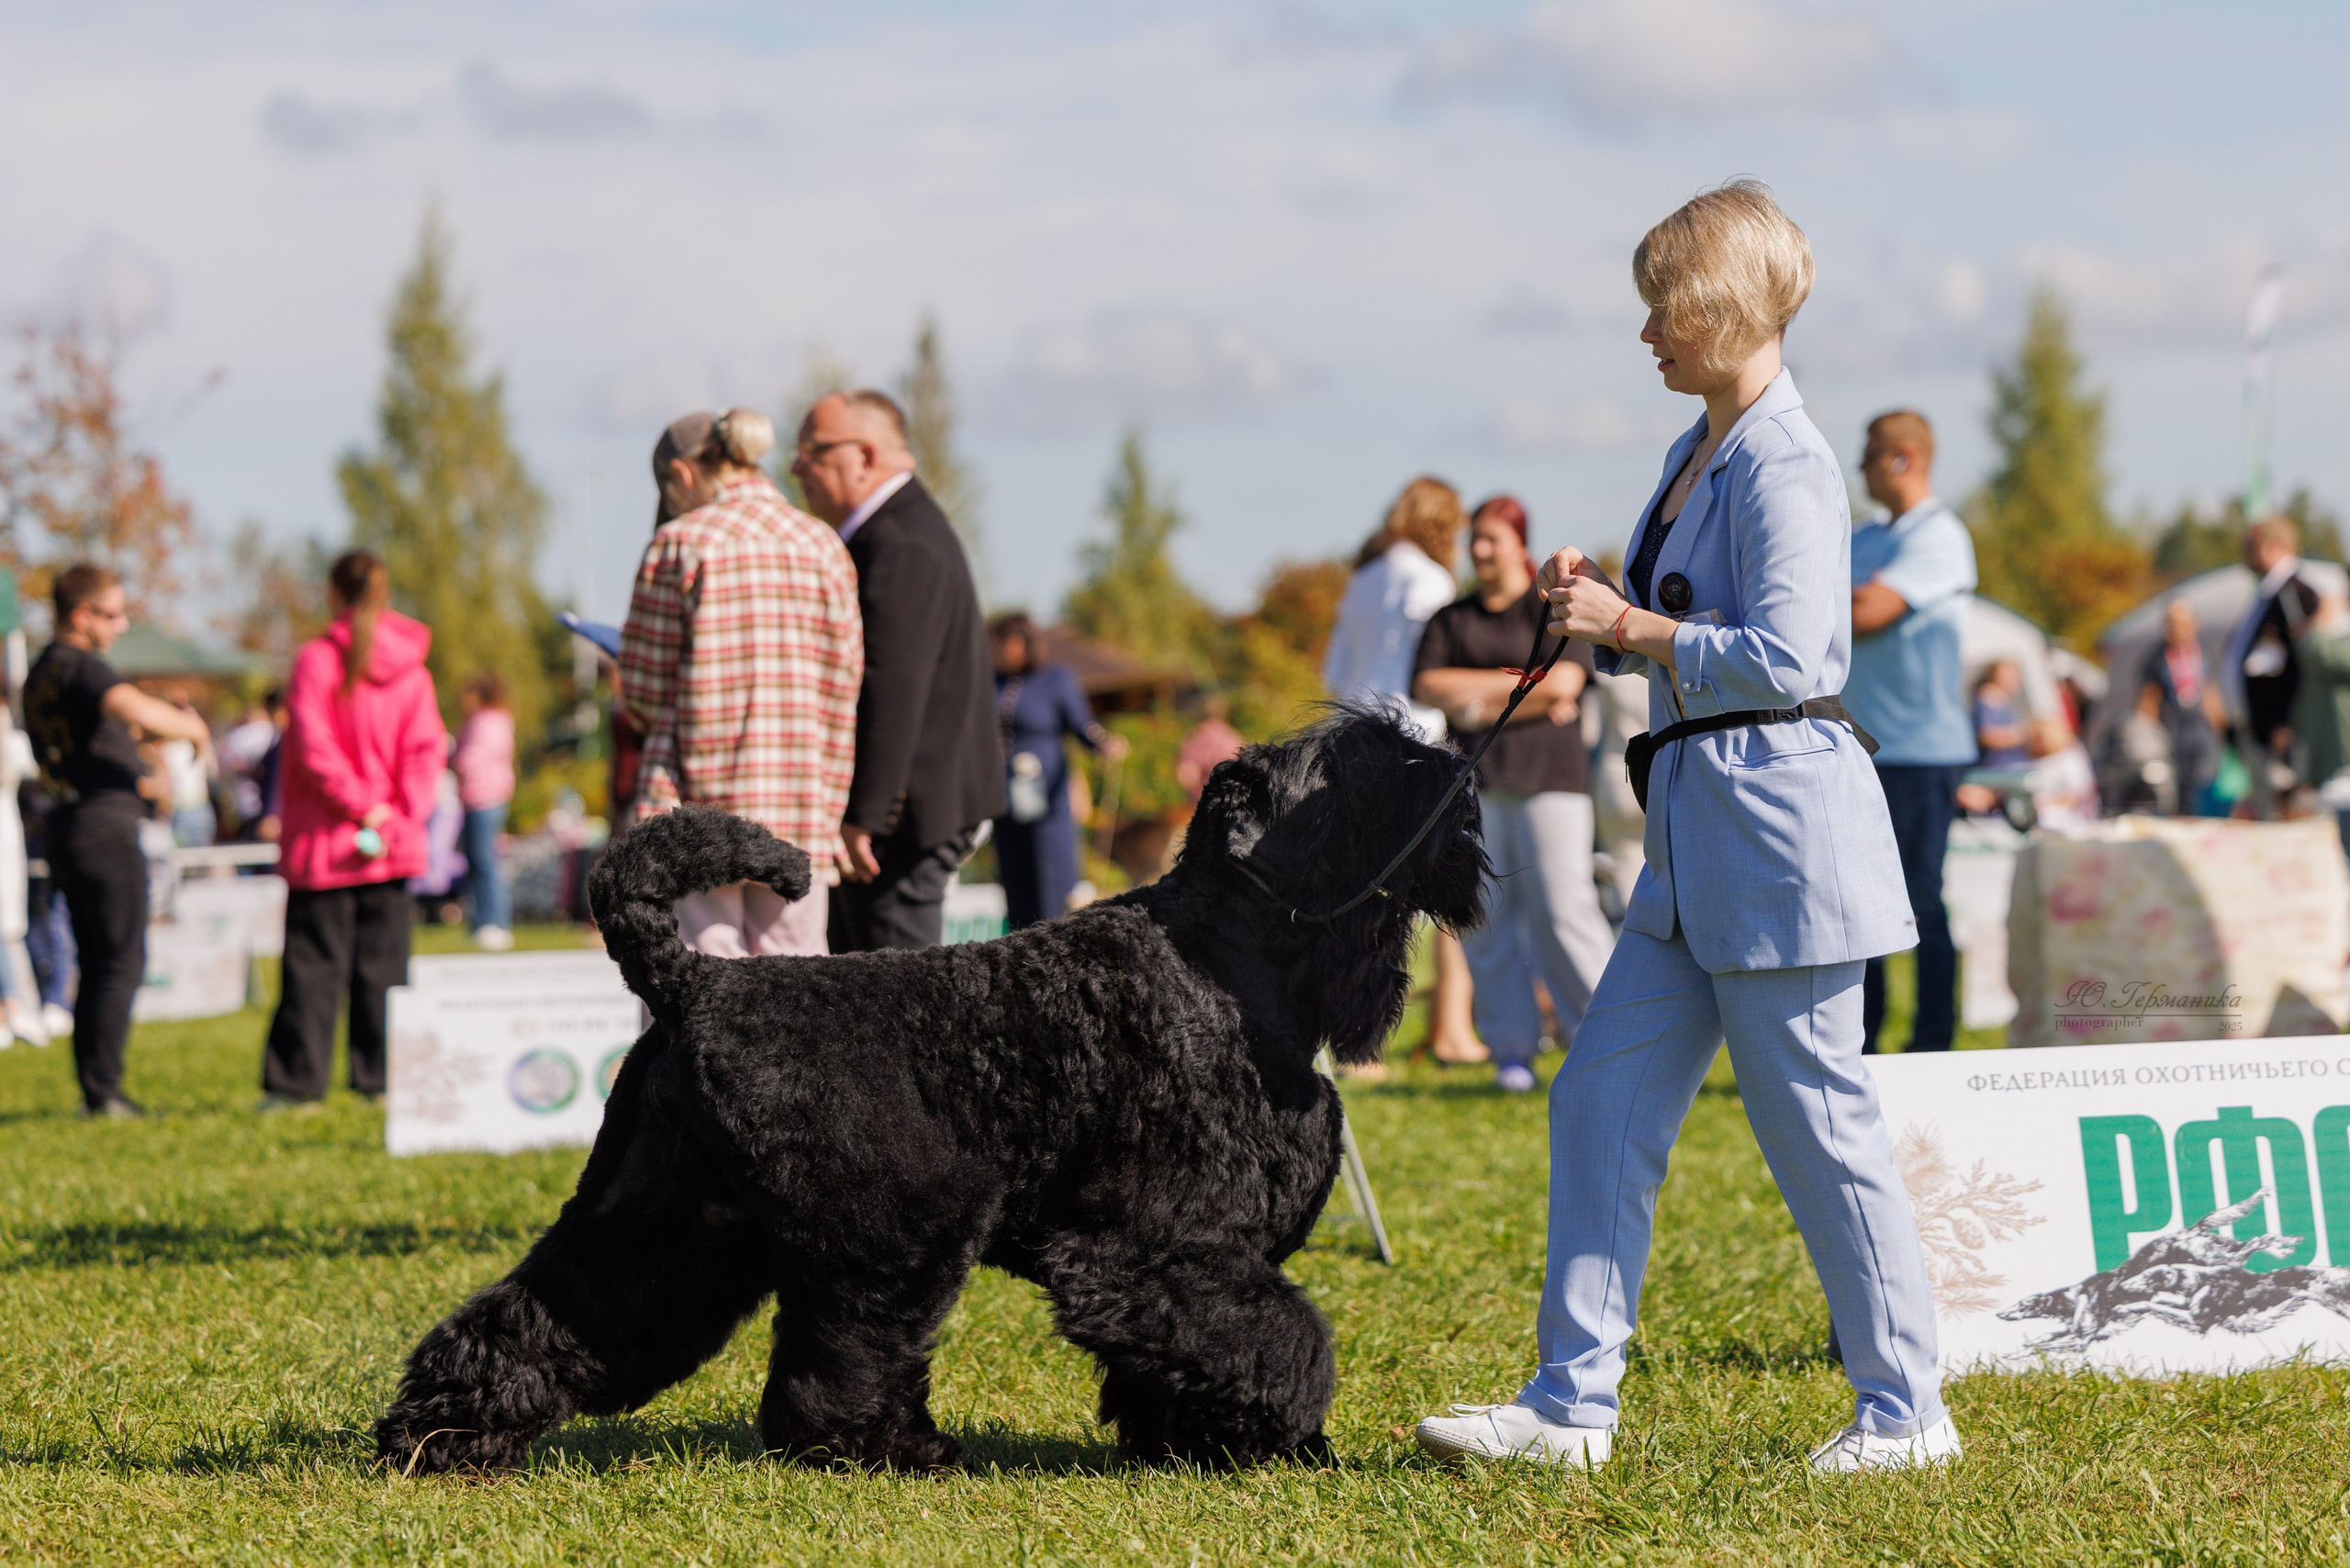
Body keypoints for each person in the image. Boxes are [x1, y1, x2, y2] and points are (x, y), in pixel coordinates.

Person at [1414, 181, 1954, 1473]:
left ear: (1717, 308)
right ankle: (1568, 1406)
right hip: (1692, 840)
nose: (1646, 333)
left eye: (1661, 308)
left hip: (1777, 844)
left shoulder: (1789, 459)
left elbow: (1793, 651)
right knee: (1598, 1103)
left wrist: (1630, 628)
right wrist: (1602, 616)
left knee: (1820, 1130)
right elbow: (1686, 638)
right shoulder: (1700, 448)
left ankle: (1906, 1413)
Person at [619, 409, 864, 958]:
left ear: (683, 476)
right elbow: (844, 684)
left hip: (694, 805)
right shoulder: (823, 544)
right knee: (796, 981)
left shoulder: (680, 543)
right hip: (800, 796)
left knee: (700, 972)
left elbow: (642, 693)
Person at [1411, 494, 1608, 1092]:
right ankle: (1511, 1053)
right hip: (1478, 785)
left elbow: (1568, 682)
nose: (1480, 549)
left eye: (1492, 538)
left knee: (1563, 912)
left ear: (1519, 542)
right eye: (1475, 538)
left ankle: (1602, 1041)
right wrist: (1522, 688)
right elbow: (1427, 683)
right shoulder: (1453, 618)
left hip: (1552, 781)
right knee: (1489, 923)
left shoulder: (1551, 608)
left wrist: (1472, 702)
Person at [791, 390, 1001, 951]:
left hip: (898, 827)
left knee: (901, 1019)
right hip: (899, 816)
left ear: (864, 455)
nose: (795, 467)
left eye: (811, 451)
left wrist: (865, 814)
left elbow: (892, 682)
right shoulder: (892, 530)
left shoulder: (899, 540)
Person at [22, 565, 217, 1117]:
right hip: (102, 832)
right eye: (113, 613)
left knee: (96, 958)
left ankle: (94, 1089)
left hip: (64, 827)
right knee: (120, 961)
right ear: (81, 616)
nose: (123, 624)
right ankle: (104, 1093)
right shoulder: (82, 667)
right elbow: (129, 706)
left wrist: (144, 742)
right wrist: (193, 729)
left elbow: (108, 732)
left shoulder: (41, 672)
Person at [260, 551, 445, 1109]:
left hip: (328, 844)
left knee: (312, 970)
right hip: (390, 841)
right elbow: (428, 750)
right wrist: (396, 814)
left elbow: (313, 750)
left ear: (333, 594)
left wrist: (367, 809)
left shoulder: (315, 660)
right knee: (385, 971)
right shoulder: (413, 669)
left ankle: (297, 1087)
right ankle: (381, 1081)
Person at [1326, 476, 1486, 1063]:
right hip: (1416, 747)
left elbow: (1333, 672)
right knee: (1438, 890)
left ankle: (1360, 1040)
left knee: (1364, 900)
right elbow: (1438, 671)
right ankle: (1447, 1030)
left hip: (1349, 746)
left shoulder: (1361, 582)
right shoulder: (1430, 581)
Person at [1842, 409, 1976, 1057]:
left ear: (1900, 458)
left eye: (1868, 456)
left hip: (1921, 753)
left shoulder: (1939, 536)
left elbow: (1868, 610)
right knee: (1859, 909)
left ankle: (1932, 1044)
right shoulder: (1865, 538)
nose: (1860, 468)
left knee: (1920, 901)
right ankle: (1862, 1045)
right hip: (1858, 750)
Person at [986, 613, 1127, 929]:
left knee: (1051, 894)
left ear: (1019, 642)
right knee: (1016, 893)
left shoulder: (1056, 678)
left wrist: (1103, 743)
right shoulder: (991, 681)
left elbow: (1082, 725)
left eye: (997, 643)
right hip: (1006, 804)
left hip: (1048, 806)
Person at [2142, 598, 2227, 815]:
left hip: (2201, 734)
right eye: (2172, 623)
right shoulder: (2156, 659)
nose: (2178, 629)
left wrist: (2225, 735)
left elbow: (2211, 696)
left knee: (2206, 789)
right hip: (2171, 734)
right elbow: (2148, 701)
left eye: (2184, 623)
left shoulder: (2205, 655)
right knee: (2177, 795)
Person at [452, 671, 516, 950]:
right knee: (477, 862)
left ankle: (494, 923)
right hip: (477, 799)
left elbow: (471, 758)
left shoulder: (487, 721)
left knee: (485, 862)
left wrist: (453, 757)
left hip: (485, 798)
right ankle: (481, 922)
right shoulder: (487, 720)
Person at [1971, 661, 2030, 767]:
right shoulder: (1988, 698)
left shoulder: (2004, 700)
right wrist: (2019, 735)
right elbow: (1986, 736)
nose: (2016, 680)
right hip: (2000, 765)